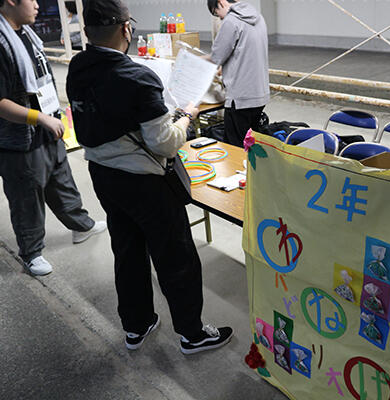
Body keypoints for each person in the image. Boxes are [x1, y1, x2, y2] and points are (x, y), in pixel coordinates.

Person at [66, 0, 233, 354]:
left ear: (87, 31)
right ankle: (192, 334)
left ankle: (136, 325)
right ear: (126, 29)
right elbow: (165, 143)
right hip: (144, 182)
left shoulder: (77, 68)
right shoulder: (136, 76)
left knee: (127, 250)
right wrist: (186, 116)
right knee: (175, 257)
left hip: (104, 177)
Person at [0, 0, 106, 276]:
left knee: (62, 182)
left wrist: (51, 117)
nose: (37, 5)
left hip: (46, 127)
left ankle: (81, 226)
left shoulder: (24, 33)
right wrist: (40, 118)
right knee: (27, 196)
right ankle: (31, 253)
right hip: (19, 138)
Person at [205, 0, 269, 147]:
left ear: (221, 2)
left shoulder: (231, 20)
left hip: (240, 99)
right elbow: (244, 52)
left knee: (235, 148)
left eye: (217, 13)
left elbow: (216, 57)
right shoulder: (258, 17)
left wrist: (191, 59)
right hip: (260, 95)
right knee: (252, 146)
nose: (220, 18)